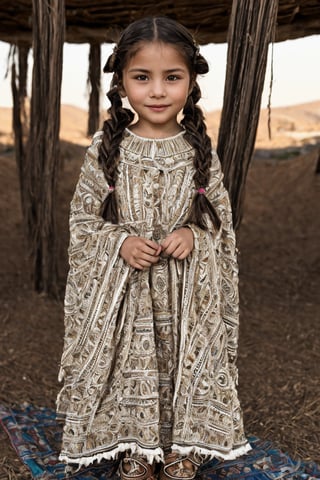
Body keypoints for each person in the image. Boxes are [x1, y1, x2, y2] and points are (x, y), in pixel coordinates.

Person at [56, 15, 251, 480]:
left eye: (172, 77)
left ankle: (186, 443)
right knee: (131, 365)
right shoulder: (107, 147)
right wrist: (118, 242)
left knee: (184, 362)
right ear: (121, 82)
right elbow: (83, 221)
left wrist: (194, 236)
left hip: (187, 297)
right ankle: (136, 444)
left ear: (191, 81)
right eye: (142, 77)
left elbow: (220, 229)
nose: (158, 91)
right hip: (127, 296)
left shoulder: (200, 150)